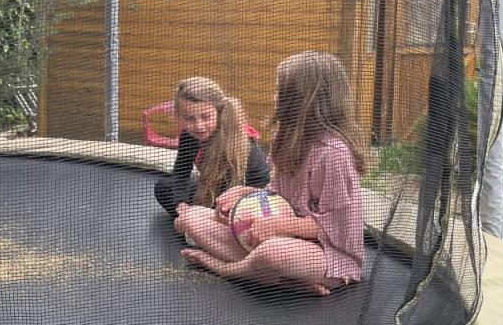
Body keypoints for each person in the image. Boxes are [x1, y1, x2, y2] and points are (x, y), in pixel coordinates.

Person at [177, 52, 365, 296]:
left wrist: (280, 225)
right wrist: (243, 198)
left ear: (303, 100)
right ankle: (281, 278)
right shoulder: (284, 136)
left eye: (280, 91)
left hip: (325, 253)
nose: (274, 97)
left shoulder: (333, 153)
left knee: (274, 253)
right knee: (195, 219)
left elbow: (338, 225)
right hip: (280, 234)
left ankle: (230, 270)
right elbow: (277, 194)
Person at [153, 77, 269, 218]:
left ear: (219, 113)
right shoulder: (189, 136)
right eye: (190, 119)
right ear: (179, 116)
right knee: (164, 187)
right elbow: (181, 173)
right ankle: (198, 219)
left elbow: (260, 186)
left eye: (206, 117)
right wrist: (181, 203)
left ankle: (200, 221)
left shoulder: (238, 141)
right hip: (213, 191)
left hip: (248, 198)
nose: (198, 125)